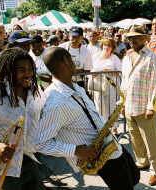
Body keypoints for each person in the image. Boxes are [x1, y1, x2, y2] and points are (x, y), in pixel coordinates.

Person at [32, 47, 140, 190]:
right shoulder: (56, 101)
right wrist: (75, 150)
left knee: (134, 176)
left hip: (109, 143)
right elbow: (39, 143)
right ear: (65, 60)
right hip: (98, 153)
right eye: (71, 58)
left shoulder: (76, 87)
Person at [0, 48, 46, 190]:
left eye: (30, 68)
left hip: (29, 159)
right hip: (1, 166)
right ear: (6, 72)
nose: (28, 74)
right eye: (21, 70)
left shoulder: (35, 90)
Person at [120, 25, 156, 186]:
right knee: (135, 139)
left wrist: (151, 107)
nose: (131, 40)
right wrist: (122, 103)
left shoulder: (152, 58)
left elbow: (155, 86)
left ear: (144, 39)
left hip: (145, 107)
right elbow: (124, 82)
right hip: (130, 104)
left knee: (151, 141)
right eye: (129, 37)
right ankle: (142, 161)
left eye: (135, 37)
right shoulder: (126, 57)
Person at [91, 37, 122, 136]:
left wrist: (109, 71)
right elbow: (88, 69)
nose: (106, 47)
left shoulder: (114, 58)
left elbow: (120, 72)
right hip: (98, 86)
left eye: (109, 46)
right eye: (105, 45)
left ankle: (114, 130)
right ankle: (101, 129)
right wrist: (93, 73)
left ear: (112, 48)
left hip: (111, 87)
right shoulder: (94, 56)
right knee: (99, 106)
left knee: (112, 107)